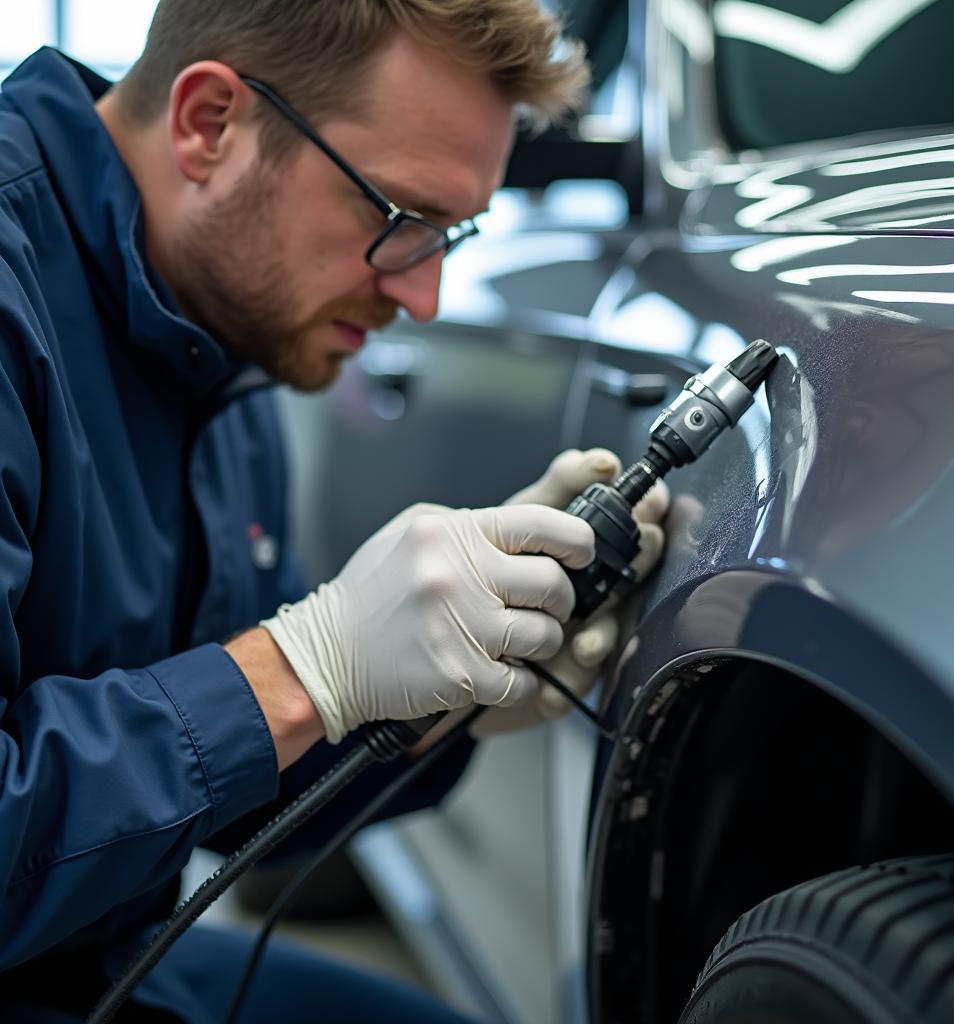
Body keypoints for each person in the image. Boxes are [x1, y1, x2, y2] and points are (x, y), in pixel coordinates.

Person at [0, 2, 666, 1021]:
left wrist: (435, 708)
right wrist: (300, 666)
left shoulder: (223, 327)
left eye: (454, 234)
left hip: (87, 957)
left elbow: (232, 802)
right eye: (399, 218)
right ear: (211, 123)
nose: (427, 297)